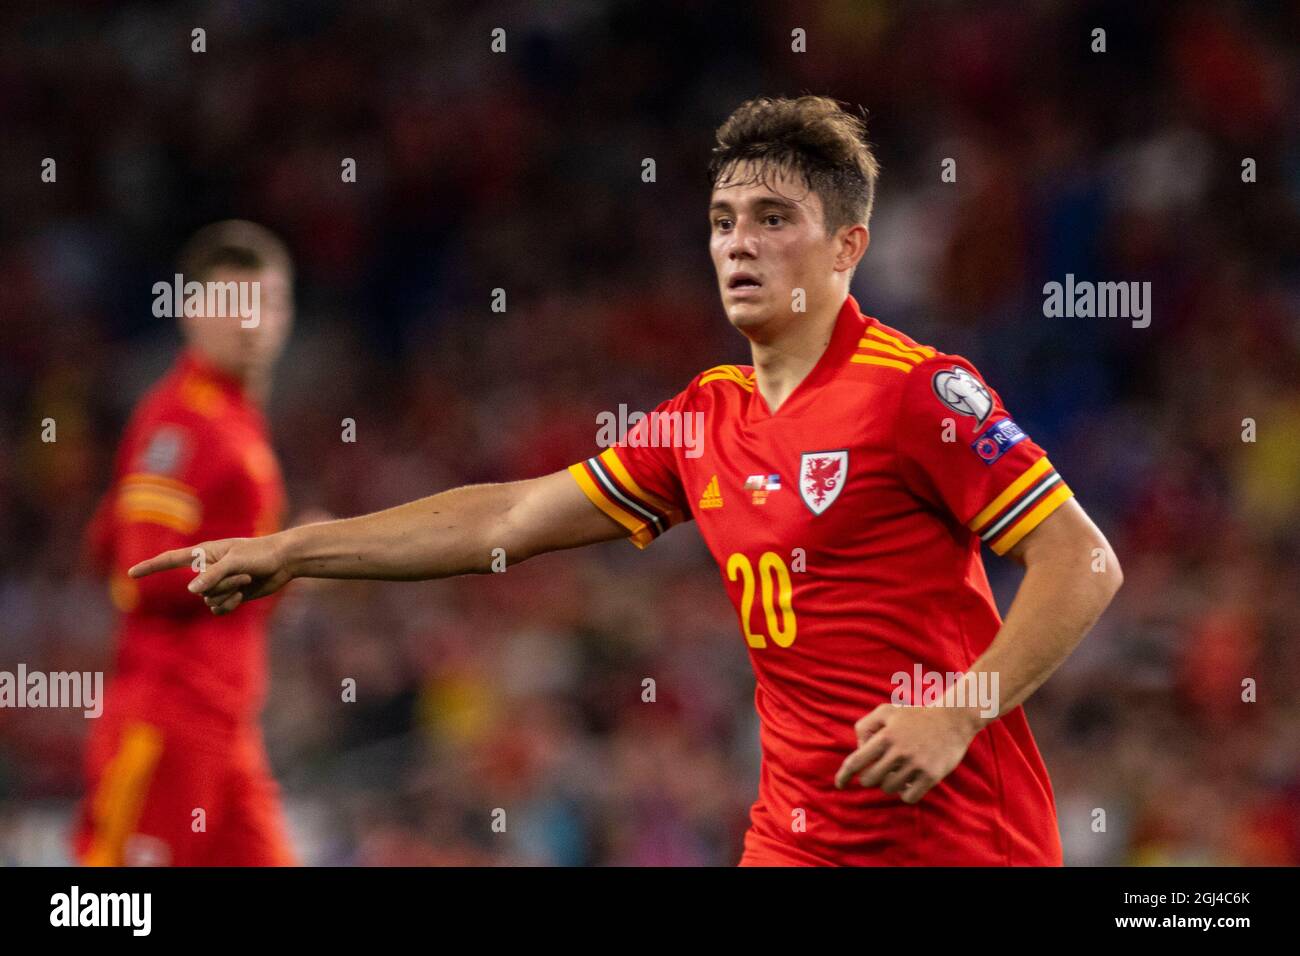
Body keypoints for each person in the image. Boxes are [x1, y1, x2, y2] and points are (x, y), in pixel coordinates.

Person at [129, 98, 1122, 866]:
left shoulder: (915, 391)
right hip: (798, 834)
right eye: (725, 218)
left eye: (774, 218)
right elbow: (509, 515)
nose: (738, 241)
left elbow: (1082, 558)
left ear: (847, 246)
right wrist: (296, 548)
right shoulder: (703, 416)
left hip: (958, 838)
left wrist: (957, 708)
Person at [75, 220, 297, 865]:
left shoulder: (234, 421)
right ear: (191, 312)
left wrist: (288, 563)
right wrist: (273, 562)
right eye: (234, 305)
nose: (252, 324)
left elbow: (101, 538)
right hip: (168, 723)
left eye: (269, 304)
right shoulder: (180, 420)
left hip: (225, 726)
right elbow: (134, 572)